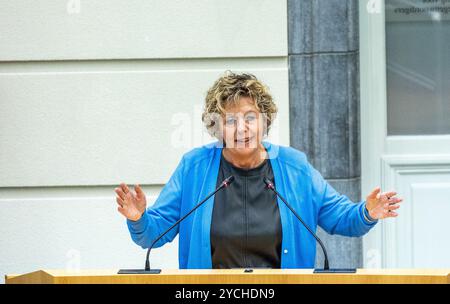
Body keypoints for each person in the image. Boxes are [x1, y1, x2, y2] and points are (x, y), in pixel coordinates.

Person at [115, 71, 403, 269]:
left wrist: (368, 212)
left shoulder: (294, 167)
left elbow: (341, 219)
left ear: (264, 121)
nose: (242, 129)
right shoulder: (194, 168)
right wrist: (139, 217)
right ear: (218, 127)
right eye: (230, 120)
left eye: (250, 117)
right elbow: (152, 235)